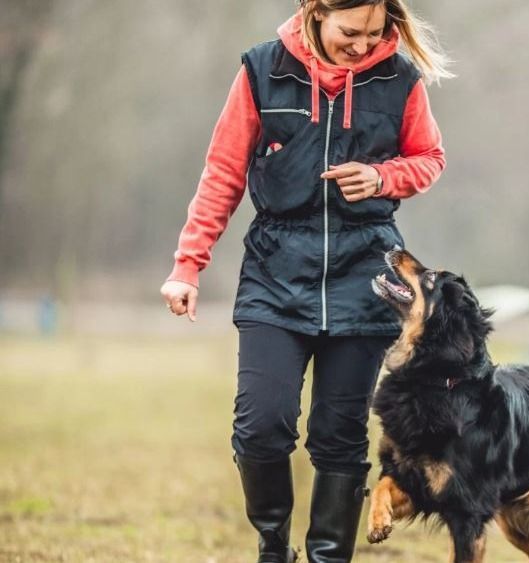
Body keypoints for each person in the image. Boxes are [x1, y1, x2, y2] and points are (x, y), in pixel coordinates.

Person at [159, 1, 451, 561]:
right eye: (350, 31)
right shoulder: (262, 71)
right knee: (261, 427)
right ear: (316, 12)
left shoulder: (401, 81)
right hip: (275, 275)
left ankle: (327, 557)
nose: (363, 46)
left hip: (365, 278)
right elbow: (222, 172)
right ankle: (274, 546)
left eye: (374, 33)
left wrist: (383, 176)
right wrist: (187, 265)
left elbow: (430, 157)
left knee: (339, 437)